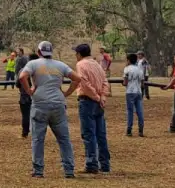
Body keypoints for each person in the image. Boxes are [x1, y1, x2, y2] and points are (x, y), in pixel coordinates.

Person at [18, 41, 80, 178]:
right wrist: (66, 93)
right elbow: (77, 78)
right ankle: (69, 170)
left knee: (38, 139)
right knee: (64, 138)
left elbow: (22, 77)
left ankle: (38, 170)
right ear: (51, 52)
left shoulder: (33, 64)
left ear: (39, 52)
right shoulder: (60, 65)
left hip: (40, 103)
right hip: (58, 104)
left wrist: (29, 91)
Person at [75, 43, 110, 174]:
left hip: (87, 101)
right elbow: (105, 81)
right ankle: (105, 164)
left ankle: (91, 164)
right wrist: (102, 97)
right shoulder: (97, 64)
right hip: (99, 102)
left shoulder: (80, 65)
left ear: (79, 54)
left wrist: (96, 96)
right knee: (101, 134)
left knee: (88, 133)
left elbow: (84, 83)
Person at [122, 53, 145, 137]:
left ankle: (129, 130)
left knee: (130, 111)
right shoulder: (140, 70)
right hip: (138, 92)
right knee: (139, 111)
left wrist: (123, 83)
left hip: (130, 92)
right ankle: (141, 130)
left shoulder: (127, 69)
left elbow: (125, 83)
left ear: (128, 60)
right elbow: (142, 84)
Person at [17, 51, 39, 138]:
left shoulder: (22, 71)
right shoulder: (41, 70)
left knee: (25, 115)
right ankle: (36, 132)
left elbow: (17, 84)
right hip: (37, 96)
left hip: (24, 96)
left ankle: (25, 132)